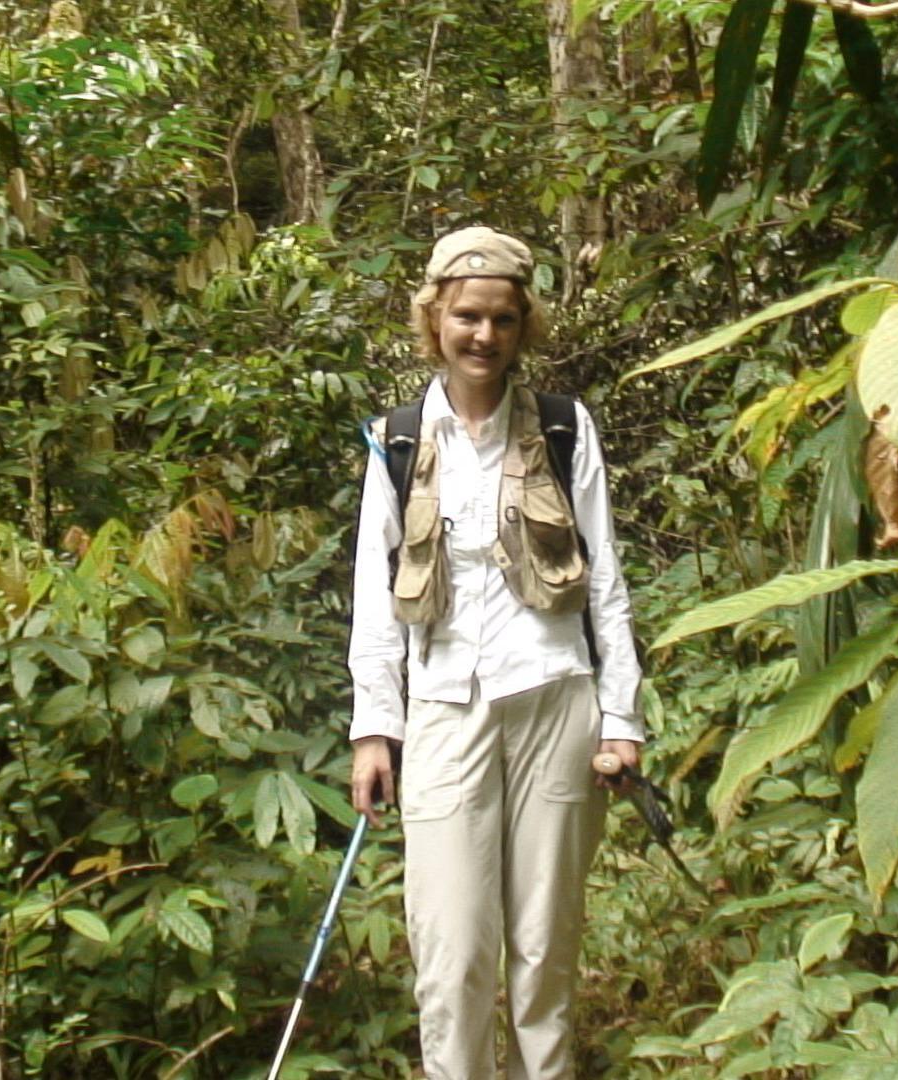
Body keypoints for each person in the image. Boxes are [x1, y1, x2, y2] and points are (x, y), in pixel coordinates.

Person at [346, 225, 645, 1078]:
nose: (484, 336)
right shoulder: (396, 441)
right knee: (452, 958)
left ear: (525, 326)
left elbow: (606, 582)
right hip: (443, 709)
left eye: (503, 319)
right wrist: (376, 728)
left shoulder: (562, 425)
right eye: (467, 316)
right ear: (435, 318)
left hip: (556, 695)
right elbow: (377, 596)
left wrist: (621, 719)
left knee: (546, 954)